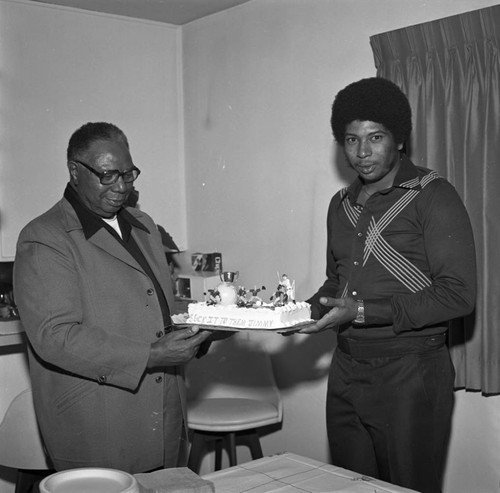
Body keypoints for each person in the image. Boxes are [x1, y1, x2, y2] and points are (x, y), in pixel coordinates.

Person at [300, 78, 476, 493]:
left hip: (411, 374)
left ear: (399, 139)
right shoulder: (339, 205)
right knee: (350, 486)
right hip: (345, 368)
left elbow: (458, 294)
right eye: (351, 139)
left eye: (375, 137)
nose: (362, 152)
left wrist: (361, 312)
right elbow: (336, 283)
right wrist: (287, 312)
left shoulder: (433, 195)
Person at [14, 122, 212, 473]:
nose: (121, 187)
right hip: (101, 425)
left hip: (164, 412)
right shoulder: (44, 237)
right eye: (107, 175)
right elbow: (55, 337)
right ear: (75, 171)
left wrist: (212, 321)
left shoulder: (144, 225)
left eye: (128, 174)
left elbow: (157, 304)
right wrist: (151, 356)